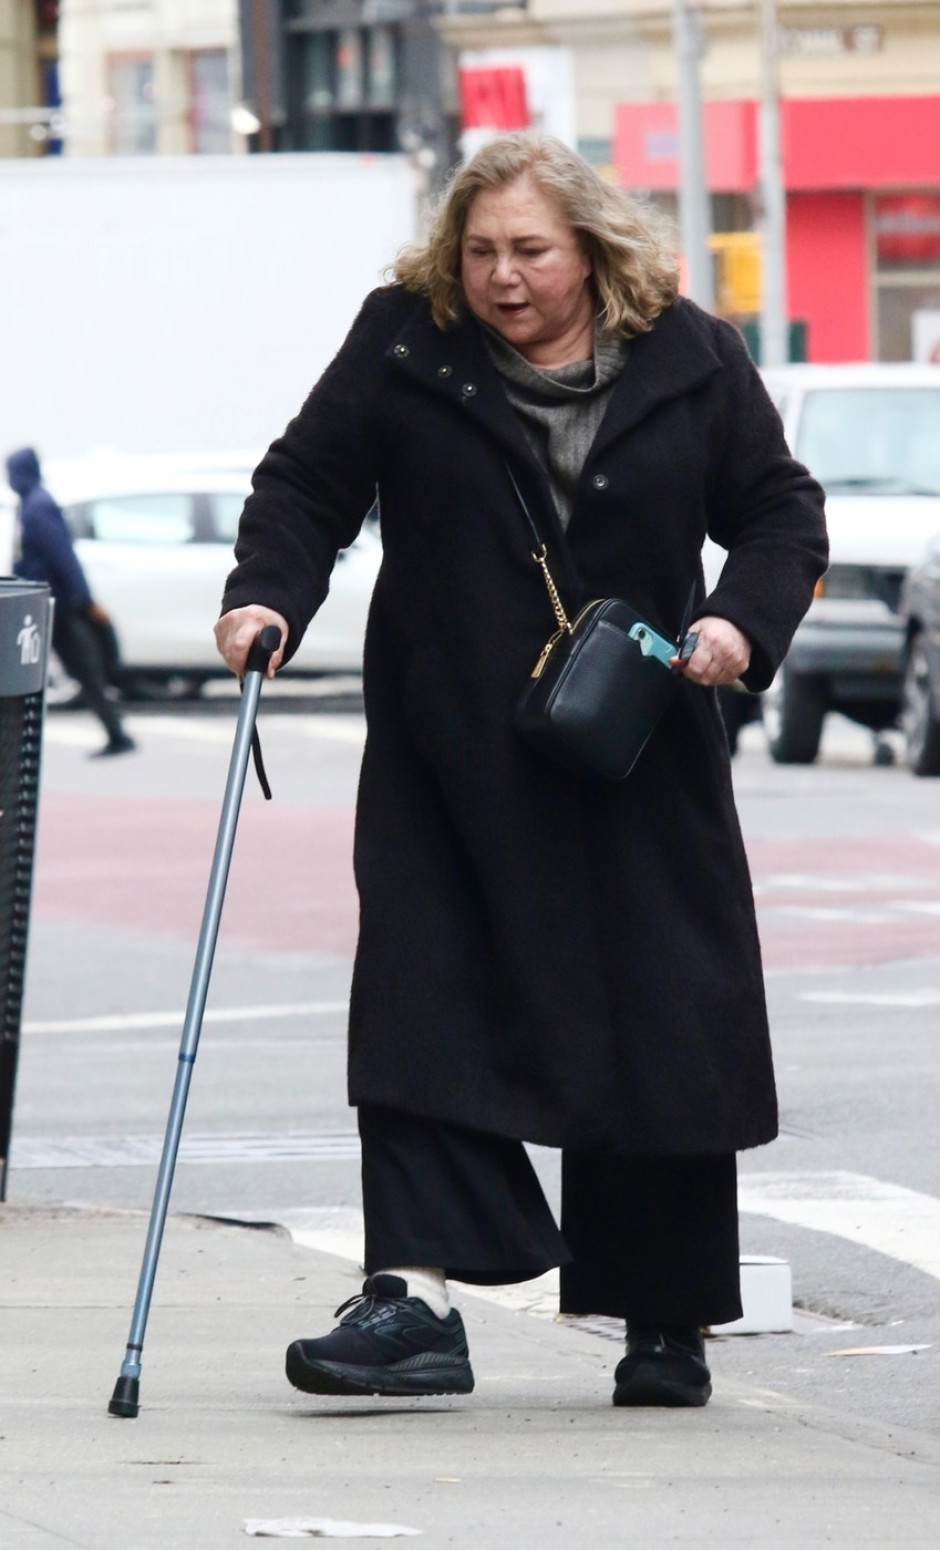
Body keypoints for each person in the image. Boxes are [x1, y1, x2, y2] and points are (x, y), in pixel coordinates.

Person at [215, 135, 827, 1409]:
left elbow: (780, 510)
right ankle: (414, 1299)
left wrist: (737, 622)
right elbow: (307, 484)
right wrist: (265, 594)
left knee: (654, 1013)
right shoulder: (405, 341)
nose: (502, 277)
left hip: (635, 747)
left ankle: (662, 1316)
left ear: (592, 249)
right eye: (481, 250)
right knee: (422, 996)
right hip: (448, 747)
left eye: (531, 252)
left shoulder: (688, 354)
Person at [6, 447, 135, 758]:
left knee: (83, 670)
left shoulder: (38, 506)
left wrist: (84, 600)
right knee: (80, 671)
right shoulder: (31, 503)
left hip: (58, 607)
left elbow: (62, 556)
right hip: (47, 603)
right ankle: (116, 731)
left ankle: (117, 732)